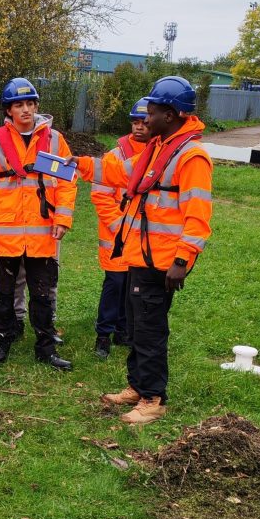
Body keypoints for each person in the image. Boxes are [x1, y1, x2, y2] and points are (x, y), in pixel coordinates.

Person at [68, 76, 213, 424]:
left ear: (173, 113)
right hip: (140, 255)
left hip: (163, 262)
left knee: (150, 330)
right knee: (135, 327)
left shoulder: (191, 157)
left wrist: (182, 260)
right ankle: (137, 385)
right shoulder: (162, 148)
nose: (146, 118)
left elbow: (199, 215)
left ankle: (153, 399)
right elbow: (120, 171)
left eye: (152, 111)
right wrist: (78, 163)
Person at [0, 77, 75, 369]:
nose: (26, 109)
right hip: (6, 234)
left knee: (42, 294)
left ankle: (46, 347)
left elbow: (68, 183)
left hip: (44, 233)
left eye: (30, 103)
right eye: (19, 105)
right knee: (5, 293)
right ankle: (2, 340)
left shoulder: (54, 141)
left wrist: (63, 218)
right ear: (9, 111)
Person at [91, 97, 150, 359]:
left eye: (144, 122)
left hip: (142, 237)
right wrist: (119, 226)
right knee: (114, 283)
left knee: (132, 285)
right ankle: (103, 335)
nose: (139, 127)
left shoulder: (158, 155)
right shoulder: (114, 156)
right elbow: (101, 195)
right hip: (115, 236)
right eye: (135, 122)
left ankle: (124, 331)